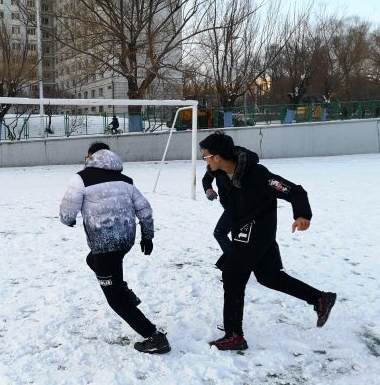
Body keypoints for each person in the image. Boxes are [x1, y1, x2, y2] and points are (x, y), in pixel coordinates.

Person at [199, 131, 336, 351]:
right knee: (268, 276)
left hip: (258, 231)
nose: (204, 160)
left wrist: (302, 215)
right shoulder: (221, 173)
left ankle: (234, 335)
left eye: (205, 156)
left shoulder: (258, 175)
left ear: (217, 156)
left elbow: (295, 191)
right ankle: (320, 299)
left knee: (232, 276)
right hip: (242, 230)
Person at [59, 142, 171, 354]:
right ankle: (123, 290)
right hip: (125, 241)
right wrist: (147, 236)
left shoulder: (81, 178)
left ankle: (154, 337)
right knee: (91, 260)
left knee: (115, 300)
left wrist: (68, 219)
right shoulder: (125, 180)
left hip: (104, 245)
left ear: (92, 157)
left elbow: (67, 210)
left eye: (87, 157)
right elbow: (145, 210)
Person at [202, 147, 259, 259]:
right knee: (239, 236)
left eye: (207, 158)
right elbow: (206, 179)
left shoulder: (244, 166)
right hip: (229, 204)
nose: (207, 162)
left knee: (220, 233)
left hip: (242, 205)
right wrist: (208, 189)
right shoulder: (215, 167)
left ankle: (235, 261)